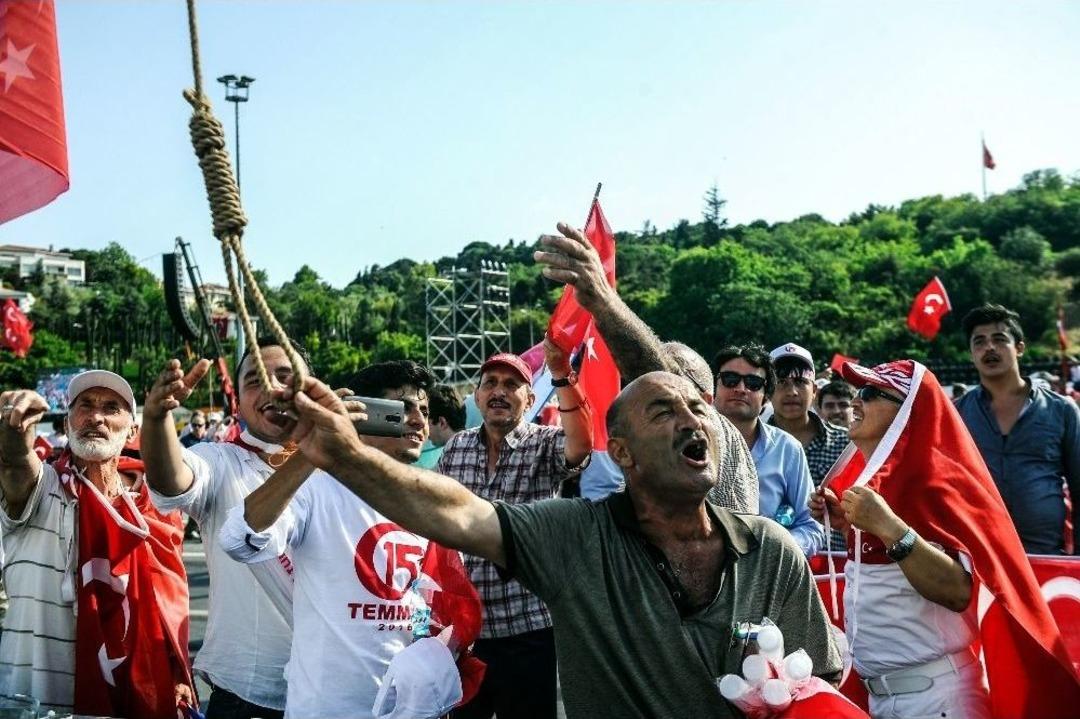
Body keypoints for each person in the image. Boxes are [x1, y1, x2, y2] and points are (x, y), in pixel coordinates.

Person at [278, 370, 842, 718]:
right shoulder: (577, 535)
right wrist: (347, 455)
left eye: (697, 407)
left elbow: (822, 682)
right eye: (663, 411)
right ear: (622, 454)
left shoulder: (772, 550)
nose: (692, 419)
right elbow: (458, 514)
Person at [811, 359, 1080, 718]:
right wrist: (851, 526)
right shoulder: (884, 483)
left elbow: (958, 591)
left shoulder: (935, 483)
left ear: (909, 413)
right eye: (859, 391)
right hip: (885, 698)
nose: (856, 401)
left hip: (936, 701)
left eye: (873, 393)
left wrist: (891, 528)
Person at [219, 360, 484, 719]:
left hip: (408, 710)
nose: (419, 421)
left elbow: (434, 604)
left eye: (424, 409)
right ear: (361, 414)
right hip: (326, 709)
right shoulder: (317, 488)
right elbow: (239, 539)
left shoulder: (428, 498)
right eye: (401, 409)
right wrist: (310, 454)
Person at [0, 370, 194, 717]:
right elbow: (15, 465)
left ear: (132, 429)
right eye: (85, 405)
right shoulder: (44, 487)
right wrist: (14, 430)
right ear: (67, 422)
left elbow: (167, 605)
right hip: (39, 702)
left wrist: (176, 673)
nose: (96, 416)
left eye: (112, 407)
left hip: (135, 698)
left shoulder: (157, 506)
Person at [532, 222, 758, 513]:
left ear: (707, 403)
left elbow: (651, 368)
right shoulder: (640, 467)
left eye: (676, 381)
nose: (652, 388)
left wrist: (603, 302)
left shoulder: (719, 436)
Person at [142, 338, 312, 719]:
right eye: (254, 381)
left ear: (309, 388)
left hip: (332, 690)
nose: (271, 389)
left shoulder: (341, 467)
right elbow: (173, 479)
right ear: (237, 401)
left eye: (284, 377)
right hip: (246, 693)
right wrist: (156, 418)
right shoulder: (219, 462)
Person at [437, 341, 592, 719]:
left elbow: (582, 444)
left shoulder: (543, 444)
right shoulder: (455, 448)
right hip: (465, 633)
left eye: (511, 385)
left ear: (528, 397)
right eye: (490, 383)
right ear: (476, 396)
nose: (499, 392)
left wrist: (561, 376)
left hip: (527, 628)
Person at [955, 304, 1080, 554]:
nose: (989, 347)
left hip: (1045, 555)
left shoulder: (1062, 410)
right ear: (971, 353)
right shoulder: (957, 414)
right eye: (979, 342)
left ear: (1020, 348)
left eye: (999, 339)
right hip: (979, 556)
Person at [712, 344, 823, 555]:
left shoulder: (787, 449)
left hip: (767, 576)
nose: (741, 389)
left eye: (753, 383)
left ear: (766, 396)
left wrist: (770, 550)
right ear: (714, 387)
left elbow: (811, 528)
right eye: (730, 379)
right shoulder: (689, 439)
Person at [769, 343, 849, 551]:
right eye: (782, 383)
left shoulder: (846, 445)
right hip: (770, 563)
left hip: (834, 569)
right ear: (768, 390)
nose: (792, 392)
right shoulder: (751, 444)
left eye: (800, 382)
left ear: (814, 390)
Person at [415, 383, 465, 469]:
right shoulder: (477, 444)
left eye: (426, 423)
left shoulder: (452, 458)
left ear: (442, 423)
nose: (423, 429)